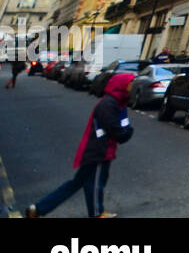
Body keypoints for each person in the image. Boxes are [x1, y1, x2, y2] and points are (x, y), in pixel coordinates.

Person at [26, 72, 134, 218]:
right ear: (121, 85)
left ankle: (37, 209)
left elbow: (120, 129)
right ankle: (97, 213)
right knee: (96, 183)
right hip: (99, 151)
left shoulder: (116, 103)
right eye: (130, 83)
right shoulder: (109, 104)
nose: (132, 86)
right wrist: (127, 132)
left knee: (77, 184)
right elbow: (116, 131)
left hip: (97, 149)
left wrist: (125, 131)